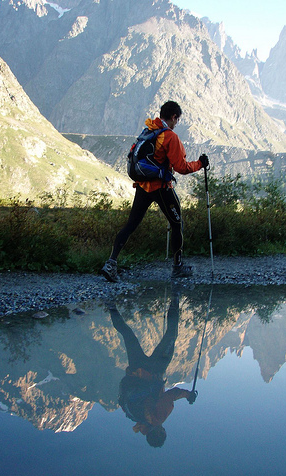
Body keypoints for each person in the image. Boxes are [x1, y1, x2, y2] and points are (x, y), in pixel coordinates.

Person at [101, 100, 208, 282]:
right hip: (161, 187)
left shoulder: (149, 130)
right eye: (177, 120)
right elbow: (181, 167)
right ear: (173, 117)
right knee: (177, 223)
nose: (176, 124)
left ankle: (111, 263)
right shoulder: (170, 137)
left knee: (131, 225)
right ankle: (177, 267)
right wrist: (200, 164)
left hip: (143, 186)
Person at [108, 288, 197, 448]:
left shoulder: (157, 419)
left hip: (155, 369)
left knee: (171, 334)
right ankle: (110, 304)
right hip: (136, 371)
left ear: (160, 433)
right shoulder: (136, 418)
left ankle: (175, 296)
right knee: (128, 335)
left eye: (163, 432)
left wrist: (188, 395)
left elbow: (171, 395)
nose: (163, 429)